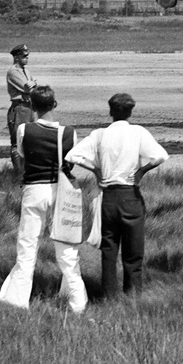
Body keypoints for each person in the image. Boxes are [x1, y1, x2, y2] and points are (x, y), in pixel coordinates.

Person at [66, 93, 168, 298]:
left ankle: (108, 295)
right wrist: (141, 171)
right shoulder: (138, 132)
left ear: (111, 111)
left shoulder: (99, 134)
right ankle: (132, 294)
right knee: (133, 250)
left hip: (108, 196)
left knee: (109, 249)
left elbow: (72, 156)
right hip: (130, 193)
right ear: (130, 112)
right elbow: (161, 156)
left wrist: (95, 170)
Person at [0, 85, 85, 313]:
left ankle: (17, 302)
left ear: (32, 106)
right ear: (54, 105)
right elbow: (70, 162)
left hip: (34, 190)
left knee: (27, 247)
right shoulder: (69, 132)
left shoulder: (24, 130)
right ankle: (77, 302)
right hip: (60, 191)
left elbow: (23, 155)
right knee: (66, 249)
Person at [5, 44, 35, 155]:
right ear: (16, 57)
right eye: (24, 56)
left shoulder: (26, 70)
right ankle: (18, 172)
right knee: (18, 141)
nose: (27, 58)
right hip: (20, 108)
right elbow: (27, 89)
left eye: (27, 56)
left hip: (29, 106)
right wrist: (33, 85)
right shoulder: (13, 71)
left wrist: (34, 84)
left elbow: (33, 86)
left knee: (30, 139)